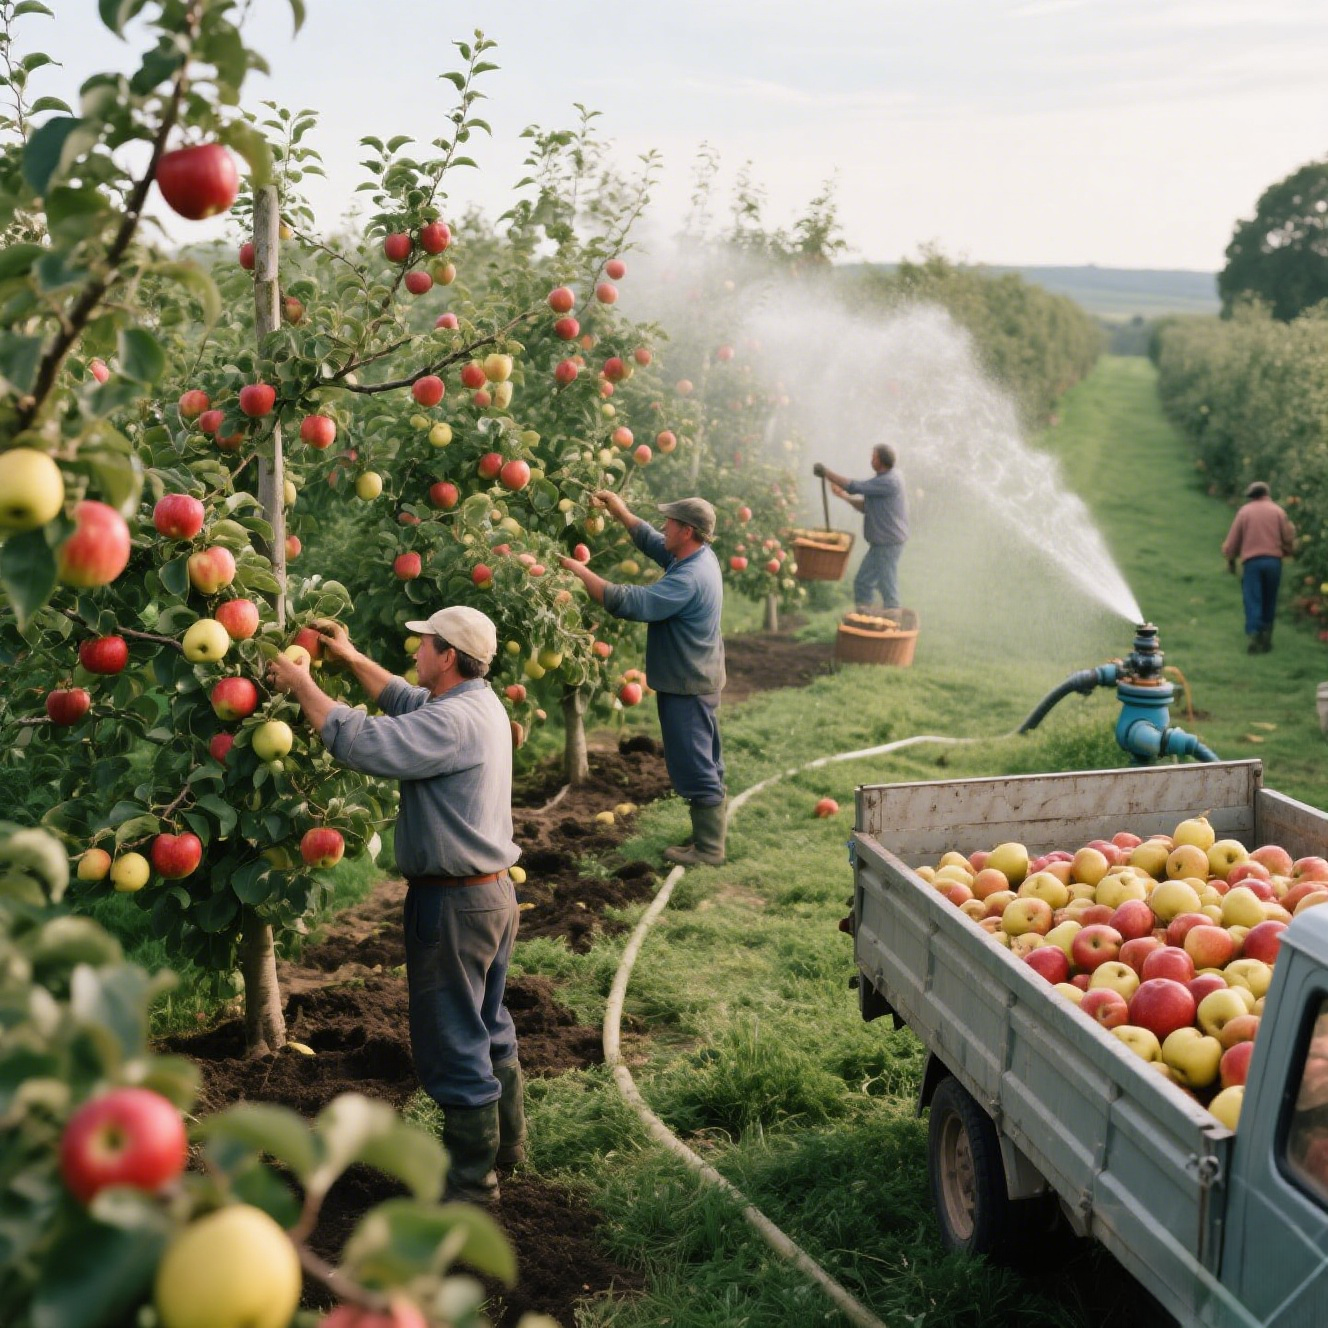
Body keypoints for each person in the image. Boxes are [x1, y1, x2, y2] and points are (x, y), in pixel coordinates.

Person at [266, 606, 523, 1206]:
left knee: (452, 1041)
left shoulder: (452, 723)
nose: (416, 653)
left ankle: (470, 1188)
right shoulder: (475, 705)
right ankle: (506, 1148)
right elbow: (405, 701)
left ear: (448, 656)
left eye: (424, 645)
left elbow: (368, 742)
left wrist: (304, 686)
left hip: (454, 907)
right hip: (490, 896)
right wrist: (351, 659)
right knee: (488, 1025)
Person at [558, 492, 728, 866]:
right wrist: (621, 513)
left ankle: (710, 849)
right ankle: (705, 837)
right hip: (694, 676)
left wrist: (580, 571)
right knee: (703, 758)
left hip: (688, 682)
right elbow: (654, 541)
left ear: (686, 531)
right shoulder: (696, 556)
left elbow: (632, 602)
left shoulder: (689, 578)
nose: (663, 526)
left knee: (694, 763)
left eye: (670, 522)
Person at [814, 444, 909, 614]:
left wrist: (827, 473)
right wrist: (843, 497)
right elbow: (866, 506)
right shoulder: (885, 479)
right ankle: (864, 617)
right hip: (883, 544)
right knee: (863, 582)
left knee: (887, 588)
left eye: (873, 457)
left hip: (888, 544)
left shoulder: (889, 481)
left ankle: (890, 623)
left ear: (880, 461)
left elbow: (854, 487)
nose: (871, 460)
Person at [1221, 481, 1296, 653]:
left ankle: (1254, 635)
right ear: (1267, 494)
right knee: (1270, 598)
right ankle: (1266, 637)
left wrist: (1230, 559)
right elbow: (1288, 536)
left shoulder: (1245, 512)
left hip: (1252, 562)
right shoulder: (1278, 511)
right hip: (1273, 562)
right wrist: (1288, 550)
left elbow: (1232, 542)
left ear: (1251, 496)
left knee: (1253, 598)